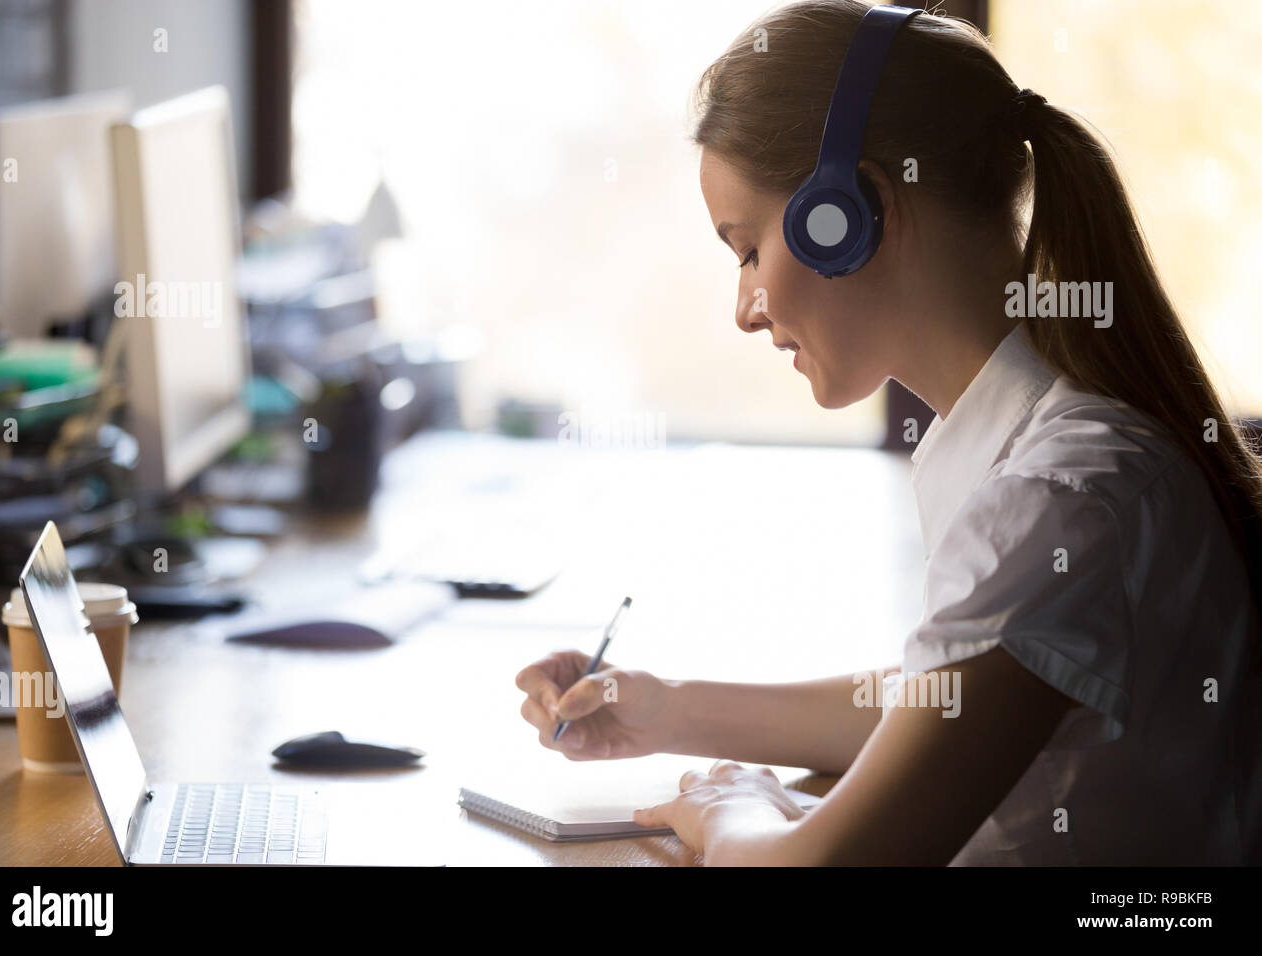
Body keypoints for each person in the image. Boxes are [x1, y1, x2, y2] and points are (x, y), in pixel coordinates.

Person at [515, 0, 1262, 865]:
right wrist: (663, 706)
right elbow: (941, 706)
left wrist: (734, 804)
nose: (745, 310)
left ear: (849, 210)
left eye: (749, 249)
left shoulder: (1059, 499)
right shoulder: (1030, 451)